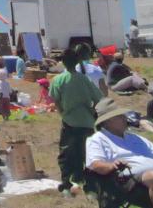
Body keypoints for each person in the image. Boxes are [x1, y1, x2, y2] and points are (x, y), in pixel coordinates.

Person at [87, 97, 153, 208]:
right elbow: (94, 164)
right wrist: (111, 165)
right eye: (119, 116)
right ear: (107, 121)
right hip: (129, 183)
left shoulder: (135, 138)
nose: (125, 118)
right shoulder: (97, 139)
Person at [50, 45, 102, 196]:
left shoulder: (58, 80)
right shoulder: (84, 79)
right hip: (87, 121)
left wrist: (63, 113)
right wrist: (92, 111)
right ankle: (90, 186)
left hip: (69, 122)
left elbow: (56, 101)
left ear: (64, 63)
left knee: (66, 155)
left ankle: (67, 185)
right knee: (88, 154)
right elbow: (98, 97)